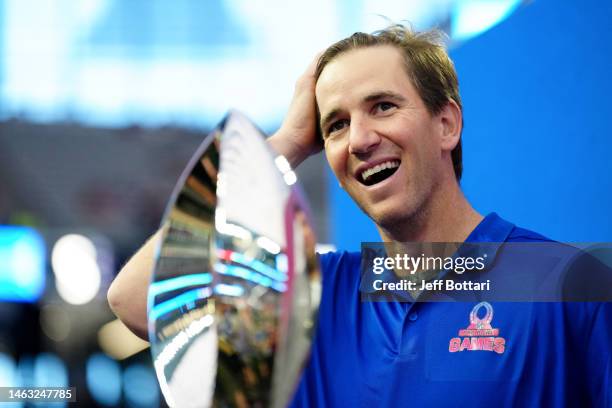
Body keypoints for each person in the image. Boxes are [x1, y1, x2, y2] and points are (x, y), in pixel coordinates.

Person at [108, 24, 611, 406]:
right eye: (335, 126)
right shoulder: (310, 299)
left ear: (446, 124)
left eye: (384, 106)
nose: (361, 140)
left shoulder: (569, 284)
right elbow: (134, 298)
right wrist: (281, 147)